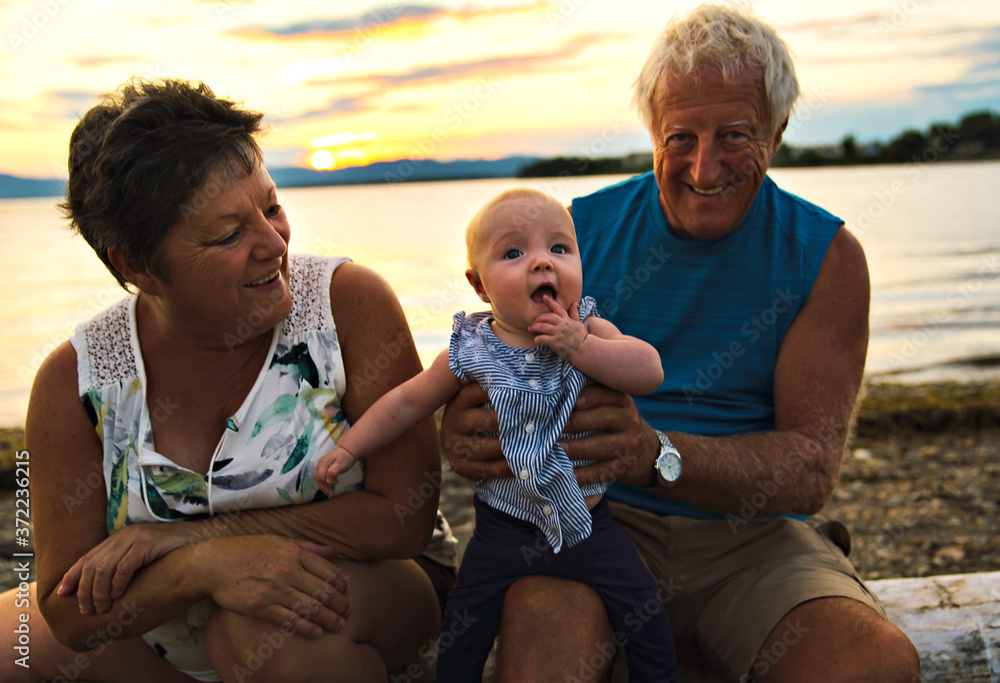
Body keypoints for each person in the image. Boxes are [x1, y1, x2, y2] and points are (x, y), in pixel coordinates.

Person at [440, 5, 921, 683]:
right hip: (590, 523)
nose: (703, 167)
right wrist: (464, 430)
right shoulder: (575, 236)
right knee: (547, 647)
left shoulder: (827, 255)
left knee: (873, 661)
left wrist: (652, 453)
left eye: (734, 135)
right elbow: (494, 370)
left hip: (751, 542)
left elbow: (810, 469)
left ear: (778, 130)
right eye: (680, 136)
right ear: (651, 132)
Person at [0, 78, 457, 683]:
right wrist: (204, 566)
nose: (274, 245)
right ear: (137, 266)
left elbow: (403, 518)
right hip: (168, 630)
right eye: (228, 234)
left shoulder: (346, 305)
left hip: (367, 595)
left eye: (271, 207)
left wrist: (188, 540)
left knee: (264, 624)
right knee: (13, 642)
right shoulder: (77, 381)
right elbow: (67, 609)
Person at [316, 188, 677, 682]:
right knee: (465, 626)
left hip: (589, 524)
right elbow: (408, 402)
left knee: (646, 615)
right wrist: (350, 447)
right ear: (479, 285)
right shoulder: (470, 349)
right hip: (503, 529)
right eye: (513, 253)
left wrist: (582, 348)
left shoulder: (587, 326)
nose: (541, 265)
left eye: (559, 249)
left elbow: (649, 370)